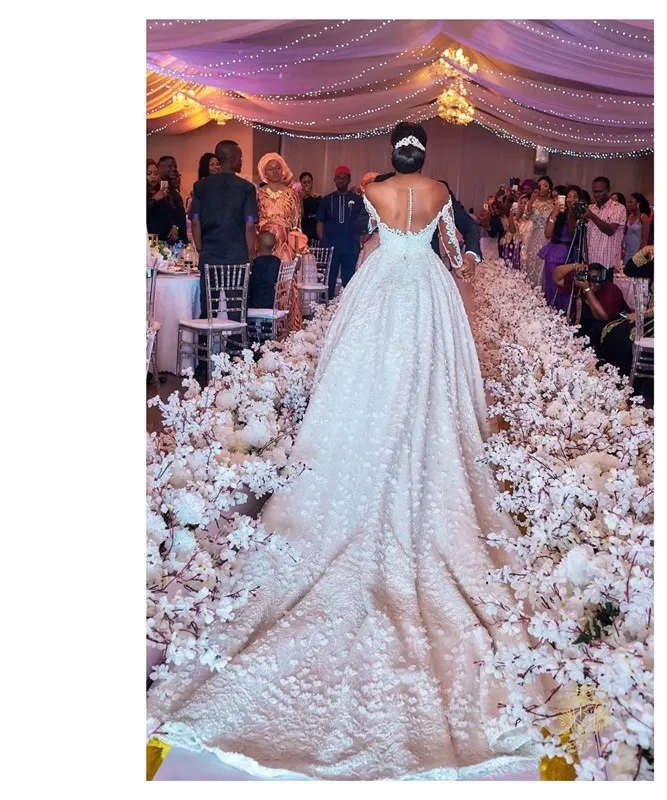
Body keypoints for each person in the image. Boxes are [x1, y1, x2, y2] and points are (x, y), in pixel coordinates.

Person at [147, 120, 542, 780]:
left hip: (382, 287)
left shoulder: (375, 191)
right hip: (427, 292)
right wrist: (452, 262)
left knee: (364, 376)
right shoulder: (440, 192)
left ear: (392, 153)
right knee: (429, 380)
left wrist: (374, 266)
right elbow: (453, 251)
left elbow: (366, 249)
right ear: (426, 154)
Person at [189, 140, 258, 382]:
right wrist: (250, 254)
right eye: (240, 157)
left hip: (209, 256)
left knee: (207, 311)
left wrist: (200, 248)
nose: (242, 161)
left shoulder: (201, 186)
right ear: (233, 158)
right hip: (237, 256)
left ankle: (203, 364)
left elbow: (195, 221)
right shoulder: (246, 188)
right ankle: (236, 360)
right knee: (237, 310)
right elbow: (249, 224)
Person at [256, 153, 303, 329]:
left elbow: (297, 226)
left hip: (285, 245)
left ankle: (288, 328)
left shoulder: (292, 194)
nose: (275, 172)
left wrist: (298, 253)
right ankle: (266, 329)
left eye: (278, 168)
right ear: (264, 172)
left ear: (283, 170)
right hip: (263, 245)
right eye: (270, 169)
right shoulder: (258, 194)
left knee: (287, 283)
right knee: (265, 283)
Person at [598, 245, 654, 376]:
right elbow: (630, 270)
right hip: (648, 314)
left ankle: (622, 377)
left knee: (626, 334)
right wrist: (644, 252)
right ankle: (608, 373)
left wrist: (643, 314)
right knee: (612, 325)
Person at [553, 260, 629, 351]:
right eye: (591, 281)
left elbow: (602, 316)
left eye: (597, 281)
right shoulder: (581, 283)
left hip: (612, 323)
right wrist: (574, 266)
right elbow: (556, 277)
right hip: (586, 326)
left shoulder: (611, 290)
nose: (593, 285)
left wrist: (587, 289)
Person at [316, 166, 365, 299]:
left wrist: (361, 240)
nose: (341, 180)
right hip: (331, 245)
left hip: (351, 245)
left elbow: (363, 222)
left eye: (344, 178)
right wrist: (323, 241)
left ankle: (346, 305)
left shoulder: (358, 200)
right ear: (334, 180)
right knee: (329, 278)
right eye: (338, 178)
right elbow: (320, 222)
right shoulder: (327, 200)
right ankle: (327, 304)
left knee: (349, 278)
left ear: (349, 180)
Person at [539, 184, 582, 313]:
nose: (571, 199)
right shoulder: (557, 214)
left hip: (572, 254)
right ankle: (551, 315)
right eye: (568, 196)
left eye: (575, 197)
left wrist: (574, 215)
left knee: (568, 288)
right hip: (555, 253)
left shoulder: (581, 216)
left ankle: (566, 317)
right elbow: (547, 234)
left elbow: (574, 234)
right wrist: (555, 213)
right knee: (553, 287)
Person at [582, 177, 627, 271]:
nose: (597, 194)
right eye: (595, 191)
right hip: (589, 262)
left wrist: (591, 216)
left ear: (608, 189)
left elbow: (610, 231)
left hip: (607, 264)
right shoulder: (591, 208)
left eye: (600, 191)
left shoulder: (618, 208)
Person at [148, 155, 188, 244]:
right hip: (153, 240)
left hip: (171, 239)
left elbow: (170, 212)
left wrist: (174, 226)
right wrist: (154, 199)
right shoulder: (156, 193)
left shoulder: (168, 190)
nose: (173, 169)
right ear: (160, 167)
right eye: (169, 166)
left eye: (155, 174)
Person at [523, 176, 555, 285]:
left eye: (545, 185)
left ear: (549, 189)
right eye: (540, 185)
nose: (542, 187)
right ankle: (531, 289)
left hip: (547, 237)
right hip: (534, 235)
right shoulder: (533, 202)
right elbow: (526, 216)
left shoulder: (553, 203)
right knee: (532, 262)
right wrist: (532, 200)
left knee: (543, 264)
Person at [248, 231, 282, 310]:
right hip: (272, 301)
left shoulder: (256, 263)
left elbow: (253, 282)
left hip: (256, 302)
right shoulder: (277, 261)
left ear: (257, 245)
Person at [185, 153, 221, 219]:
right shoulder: (200, 185)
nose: (216, 167)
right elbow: (194, 212)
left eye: (218, 164)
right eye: (212, 165)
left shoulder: (223, 183)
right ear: (205, 167)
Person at [623, 193, 652, 263]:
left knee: (635, 268)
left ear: (638, 204)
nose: (628, 204)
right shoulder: (630, 216)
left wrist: (639, 256)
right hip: (627, 250)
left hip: (638, 251)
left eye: (631, 202)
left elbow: (645, 238)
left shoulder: (643, 217)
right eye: (628, 202)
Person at [297, 171, 322, 243]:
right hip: (304, 231)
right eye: (304, 182)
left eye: (309, 182)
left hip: (315, 231)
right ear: (301, 183)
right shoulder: (298, 198)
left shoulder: (318, 197)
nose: (307, 185)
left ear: (312, 182)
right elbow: (299, 216)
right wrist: (301, 198)